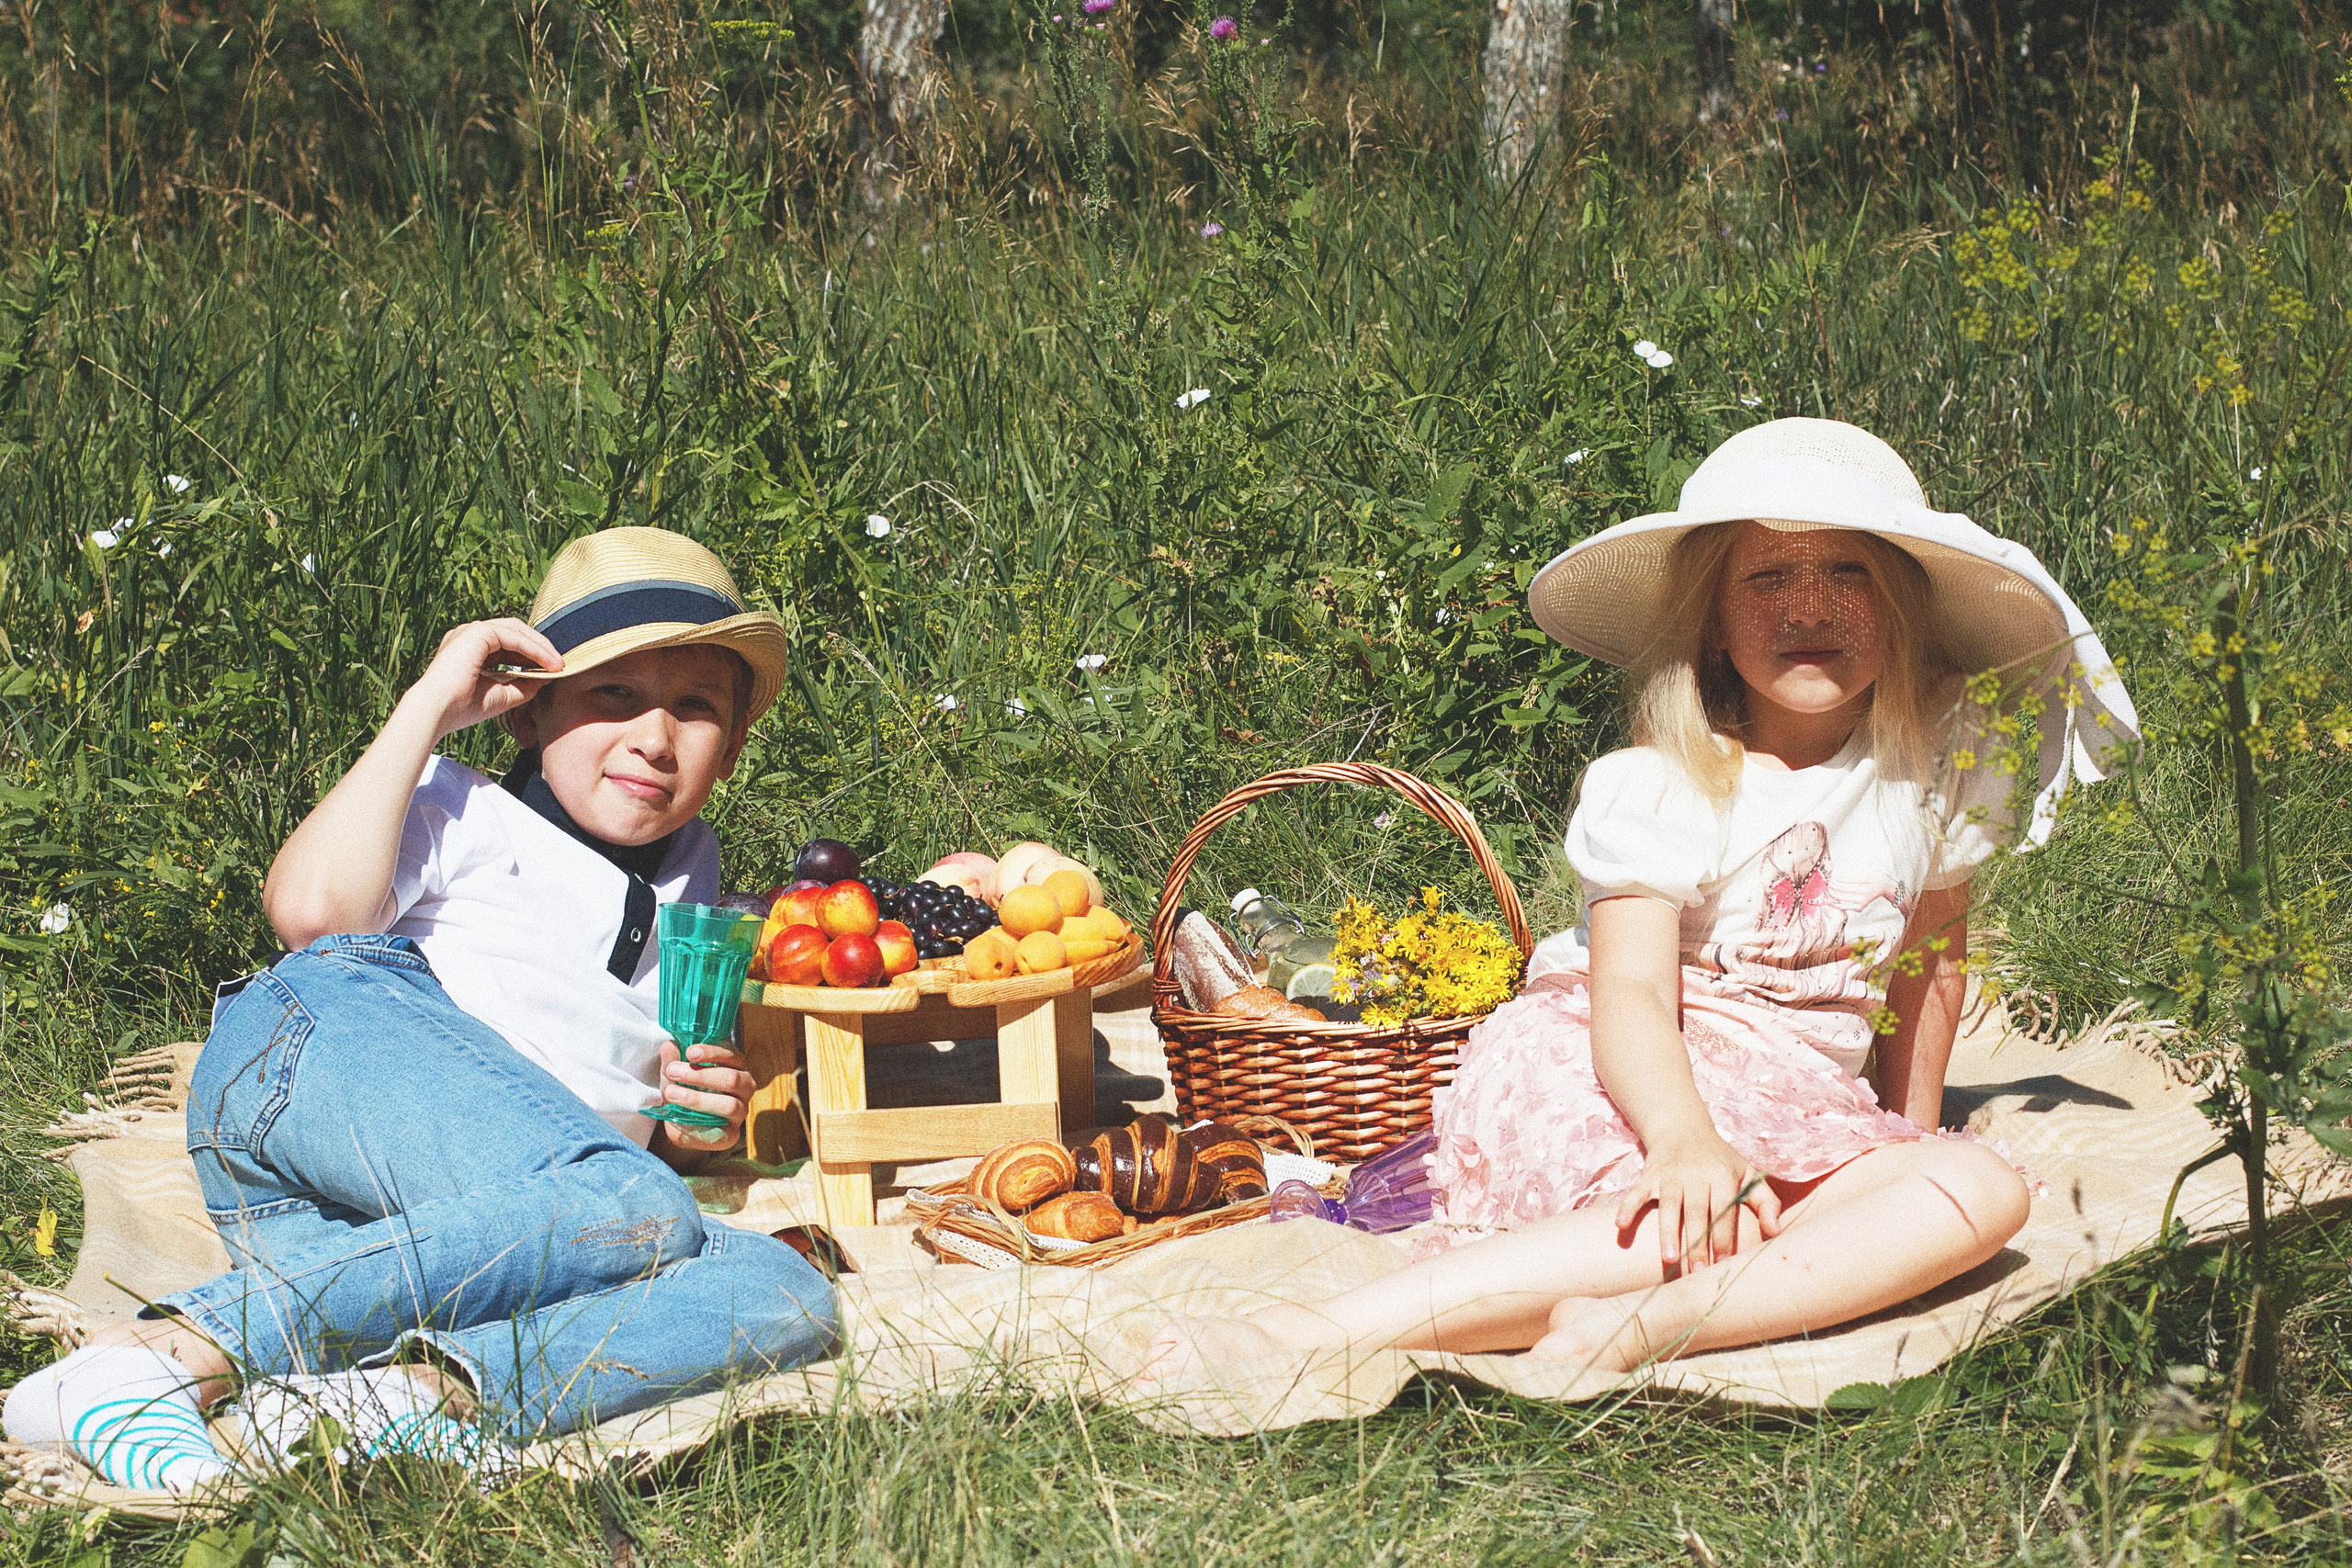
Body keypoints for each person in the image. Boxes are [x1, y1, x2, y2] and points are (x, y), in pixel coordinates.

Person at [1140, 418, 2138, 1381]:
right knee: (1715, 1210)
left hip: (1796, 1096)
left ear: (1904, 608)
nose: (1807, 609)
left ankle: (1643, 1323)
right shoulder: (1666, 781)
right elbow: (1625, 996)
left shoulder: (1931, 768)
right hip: (1629, 1065)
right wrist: (1683, 1138)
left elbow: (1930, 962)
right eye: (1767, 577)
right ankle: (1311, 1331)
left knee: (1975, 1190)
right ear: (1708, 617)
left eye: (1848, 573)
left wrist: (1906, 1130)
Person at [5, 528, 837, 1492]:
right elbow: (312, 920)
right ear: (528, 711)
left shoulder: (699, 891)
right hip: (316, 1046)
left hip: (407, 1227)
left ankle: (387, 1401)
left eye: (694, 709)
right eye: (614, 694)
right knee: (628, 1202)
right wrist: (431, 707)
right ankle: (158, 1358)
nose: (653, 737)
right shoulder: (456, 805)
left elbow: (564, 1143)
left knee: (779, 1289)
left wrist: (681, 1133)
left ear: (731, 748)